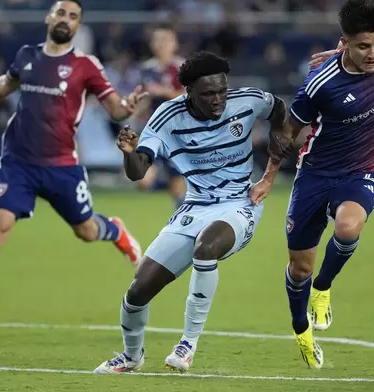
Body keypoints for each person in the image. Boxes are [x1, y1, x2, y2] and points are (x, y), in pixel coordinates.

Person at [0, 0, 146, 329]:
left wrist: (128, 107)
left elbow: (115, 108)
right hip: (19, 161)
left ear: (78, 26)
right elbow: (8, 83)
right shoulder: (27, 55)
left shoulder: (86, 65)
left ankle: (117, 231)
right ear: (48, 17)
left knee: (86, 230)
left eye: (73, 16)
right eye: (61, 13)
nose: (66, 20)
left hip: (61, 165)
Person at [93, 51, 290, 374]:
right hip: (195, 205)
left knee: (206, 247)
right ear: (189, 93)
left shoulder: (248, 101)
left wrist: (272, 163)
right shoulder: (167, 117)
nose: (218, 100)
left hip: (240, 203)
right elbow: (137, 171)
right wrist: (130, 153)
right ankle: (131, 357)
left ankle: (187, 344)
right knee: (137, 291)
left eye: (222, 91)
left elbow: (279, 110)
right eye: (208, 94)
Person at [252, 0, 374, 369]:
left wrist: (343, 51)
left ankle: (323, 288)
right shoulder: (321, 84)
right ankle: (301, 329)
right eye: (362, 46)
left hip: (364, 169)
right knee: (299, 267)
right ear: (345, 42)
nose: (373, 53)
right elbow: (288, 132)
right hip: (316, 174)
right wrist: (269, 177)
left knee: (348, 227)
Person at [138, 24, 187, 209]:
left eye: (165, 40)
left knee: (177, 187)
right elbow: (144, 99)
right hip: (153, 132)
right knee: (143, 180)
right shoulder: (146, 68)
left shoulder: (182, 67)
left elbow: (190, 97)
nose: (161, 44)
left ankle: (185, 216)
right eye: (157, 40)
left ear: (174, 44)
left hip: (178, 133)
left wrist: (164, 91)